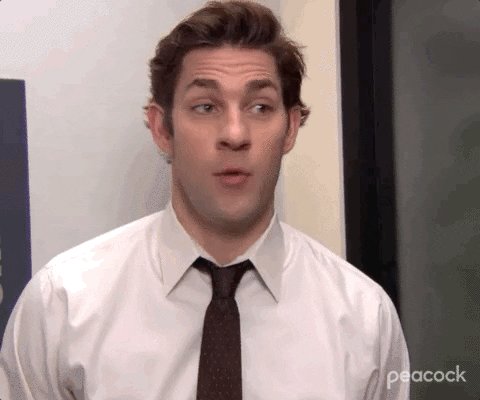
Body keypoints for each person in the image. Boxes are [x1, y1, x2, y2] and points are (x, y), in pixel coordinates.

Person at [0, 1, 410, 399]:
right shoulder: (62, 306)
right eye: (206, 106)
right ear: (162, 129)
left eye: (260, 106)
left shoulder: (363, 317)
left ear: (290, 128)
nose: (235, 134)